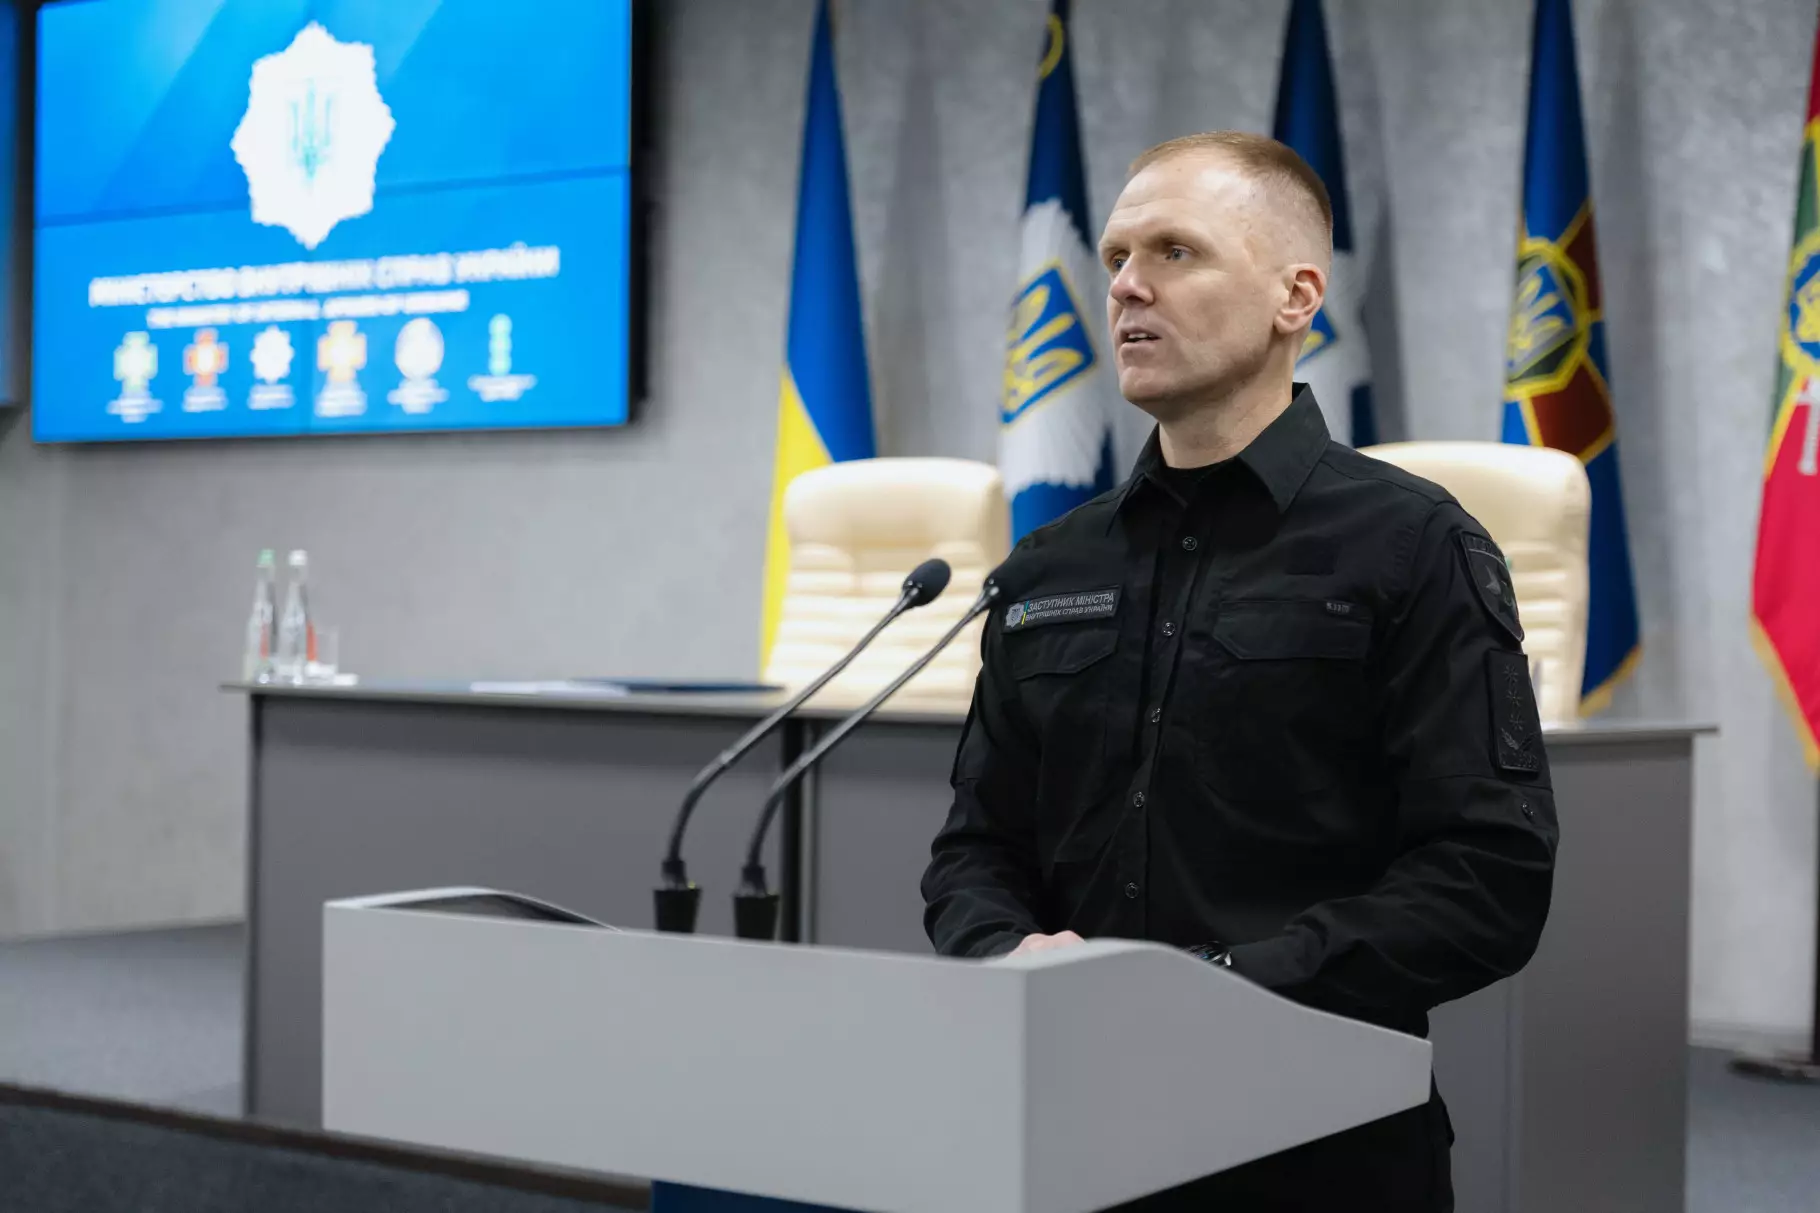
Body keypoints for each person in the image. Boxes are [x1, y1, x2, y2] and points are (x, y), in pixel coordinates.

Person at [922, 131, 1558, 1211]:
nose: (1125, 285)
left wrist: (1212, 989)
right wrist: (1003, 952)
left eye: (1174, 251)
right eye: (1116, 256)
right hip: (1069, 1117)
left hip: (1317, 1138)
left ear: (1294, 297)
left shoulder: (1413, 545)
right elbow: (976, 845)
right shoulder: (1048, 565)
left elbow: (1486, 875)